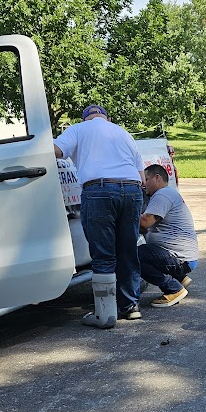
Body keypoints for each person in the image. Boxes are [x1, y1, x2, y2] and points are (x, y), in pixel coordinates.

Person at [54, 104, 144, 327]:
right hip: (132, 190)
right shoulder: (123, 133)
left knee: (103, 254)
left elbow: (55, 151)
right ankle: (131, 307)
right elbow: (142, 176)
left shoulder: (78, 129)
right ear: (107, 118)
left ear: (85, 119)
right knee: (128, 249)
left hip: (99, 191)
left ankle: (105, 315)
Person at [139, 164, 198, 308]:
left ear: (157, 178)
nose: (143, 183)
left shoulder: (162, 195)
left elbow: (145, 223)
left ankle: (173, 289)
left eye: (146, 179)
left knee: (133, 256)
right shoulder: (168, 193)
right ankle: (180, 278)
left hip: (179, 258)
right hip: (183, 256)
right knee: (145, 250)